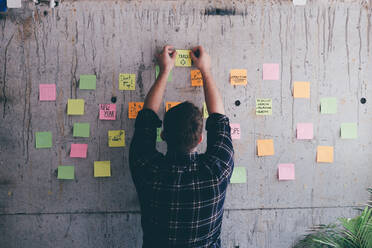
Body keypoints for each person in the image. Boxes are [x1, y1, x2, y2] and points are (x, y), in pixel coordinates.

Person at [129, 45, 234, 248]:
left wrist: (165, 71)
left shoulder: (149, 171)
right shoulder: (216, 173)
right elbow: (220, 120)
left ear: (163, 135)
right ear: (200, 139)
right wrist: (205, 70)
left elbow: (146, 120)